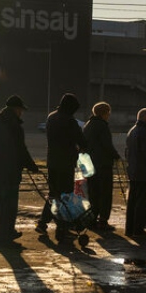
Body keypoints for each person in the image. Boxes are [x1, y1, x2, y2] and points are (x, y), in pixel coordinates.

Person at [0, 95, 39, 250]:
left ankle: (7, 233)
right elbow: (20, 149)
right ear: (16, 109)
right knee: (9, 206)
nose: (21, 113)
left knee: (3, 206)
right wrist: (31, 165)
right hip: (10, 172)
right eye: (20, 110)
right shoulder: (13, 125)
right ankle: (5, 238)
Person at [36, 93, 87, 241]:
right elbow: (82, 141)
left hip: (52, 161)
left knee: (54, 193)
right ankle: (62, 228)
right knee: (65, 195)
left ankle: (43, 222)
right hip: (66, 163)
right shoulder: (70, 121)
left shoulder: (51, 117)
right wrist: (80, 148)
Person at [83, 101, 118, 232]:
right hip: (103, 164)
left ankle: (92, 219)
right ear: (104, 113)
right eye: (108, 113)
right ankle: (103, 220)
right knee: (105, 193)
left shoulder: (88, 125)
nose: (109, 115)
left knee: (93, 193)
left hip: (91, 165)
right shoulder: (102, 126)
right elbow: (106, 145)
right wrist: (116, 155)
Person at [124, 108, 146, 237]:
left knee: (132, 202)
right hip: (144, 172)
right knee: (142, 203)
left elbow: (127, 152)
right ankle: (139, 230)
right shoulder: (145, 132)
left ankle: (130, 229)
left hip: (133, 171)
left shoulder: (132, 131)